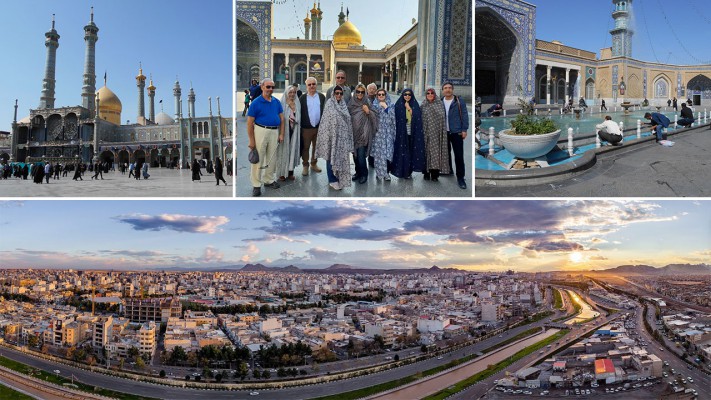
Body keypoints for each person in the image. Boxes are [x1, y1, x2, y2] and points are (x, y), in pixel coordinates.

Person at [247, 78, 284, 197]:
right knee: (258, 158)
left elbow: (282, 119)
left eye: (272, 87)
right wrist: (251, 141)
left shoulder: (276, 102)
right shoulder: (256, 103)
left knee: (272, 158)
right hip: (260, 130)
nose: (270, 89)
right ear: (262, 87)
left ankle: (268, 180)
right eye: (268, 87)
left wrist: (281, 134)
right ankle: (256, 184)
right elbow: (249, 123)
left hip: (274, 131)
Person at [315, 85, 354, 190]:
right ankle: (332, 180)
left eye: (341, 93)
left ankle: (339, 178)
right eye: (337, 93)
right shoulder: (329, 104)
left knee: (341, 158)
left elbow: (348, 120)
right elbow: (326, 121)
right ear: (333, 94)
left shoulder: (343, 104)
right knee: (330, 157)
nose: (339, 95)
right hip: (331, 137)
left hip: (342, 138)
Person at [392, 88, 425, 180]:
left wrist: (409, 109)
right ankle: (401, 171)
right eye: (405, 94)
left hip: (412, 133)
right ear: (402, 95)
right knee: (402, 152)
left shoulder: (414, 105)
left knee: (410, 152)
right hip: (401, 133)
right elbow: (393, 117)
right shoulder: (398, 105)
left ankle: (408, 172)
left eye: (409, 94)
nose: (407, 96)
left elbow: (418, 118)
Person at [348, 84, 378, 184]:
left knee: (361, 156)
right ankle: (358, 173)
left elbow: (375, 116)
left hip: (364, 135)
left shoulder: (367, 103)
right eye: (358, 92)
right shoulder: (351, 104)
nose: (360, 94)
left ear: (365, 93)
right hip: (353, 134)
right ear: (355, 92)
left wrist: (368, 111)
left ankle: (364, 174)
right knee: (355, 156)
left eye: (362, 92)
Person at [442, 82, 470, 189]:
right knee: (446, 153)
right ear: (443, 90)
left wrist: (464, 129)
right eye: (445, 88)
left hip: (456, 132)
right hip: (445, 132)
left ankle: (460, 178)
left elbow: (465, 115)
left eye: (449, 88)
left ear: (452, 89)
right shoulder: (440, 101)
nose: (448, 90)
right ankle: (449, 170)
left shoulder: (458, 101)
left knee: (458, 155)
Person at [421, 87, 451, 181]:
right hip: (425, 133)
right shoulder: (423, 105)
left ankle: (435, 174)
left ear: (435, 94)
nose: (430, 95)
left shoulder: (439, 104)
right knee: (425, 153)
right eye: (428, 93)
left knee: (436, 154)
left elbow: (442, 119)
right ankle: (426, 173)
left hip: (437, 134)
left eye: (432, 93)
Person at [299, 76, 325, 176]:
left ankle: (314, 164)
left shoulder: (321, 97)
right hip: (306, 129)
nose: (311, 86)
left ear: (316, 85)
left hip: (318, 128)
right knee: (305, 148)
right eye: (309, 84)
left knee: (316, 147)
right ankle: (305, 165)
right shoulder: (302, 98)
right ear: (306, 86)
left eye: (313, 84)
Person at [276, 85, 301, 181]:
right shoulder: (282, 103)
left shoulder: (297, 103)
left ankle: (290, 172)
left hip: (294, 130)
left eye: (294, 92)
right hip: (284, 130)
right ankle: (282, 173)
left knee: (292, 150)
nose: (292, 94)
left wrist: (295, 118)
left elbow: (299, 115)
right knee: (283, 151)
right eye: (290, 92)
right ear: (286, 93)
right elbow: (280, 117)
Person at [371, 89, 396, 181]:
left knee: (387, 153)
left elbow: (392, 119)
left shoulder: (391, 106)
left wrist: (386, 108)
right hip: (377, 134)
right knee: (378, 155)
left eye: (383, 94)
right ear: (377, 96)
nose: (381, 96)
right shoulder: (373, 106)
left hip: (388, 133)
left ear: (386, 95)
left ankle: (386, 174)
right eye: (379, 94)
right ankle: (379, 173)